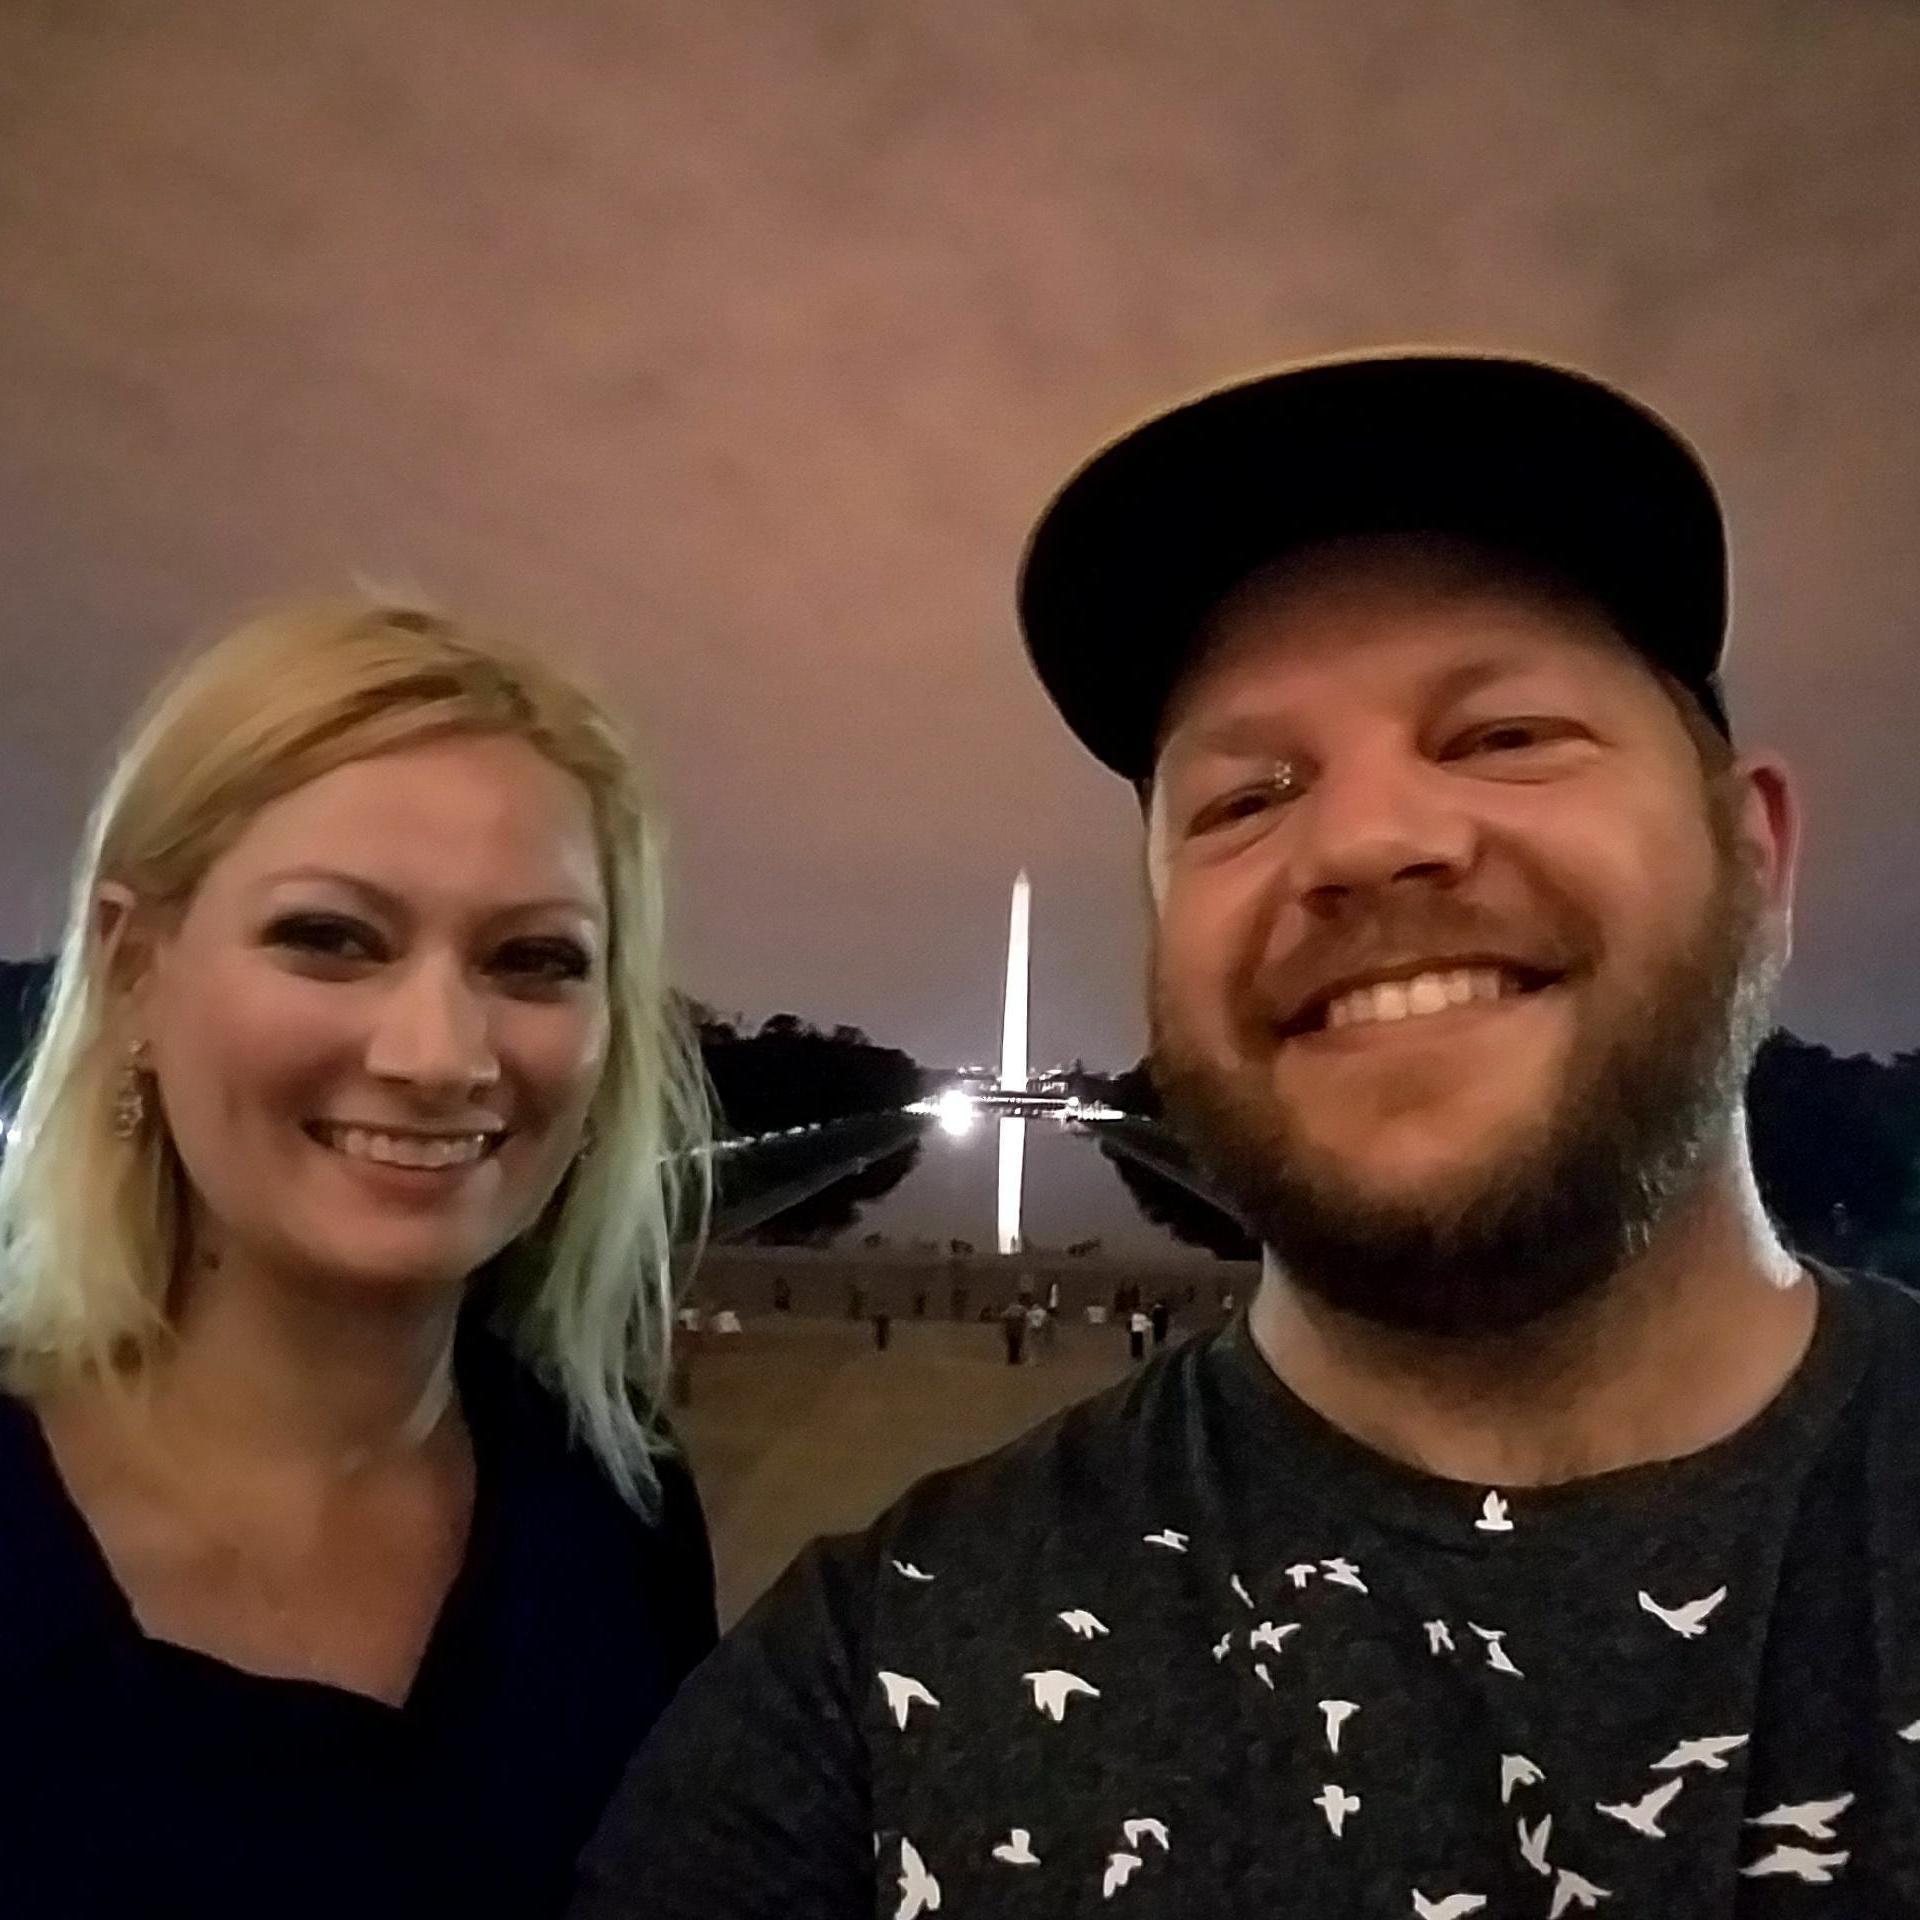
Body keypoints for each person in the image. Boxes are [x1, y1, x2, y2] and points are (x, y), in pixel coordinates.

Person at [572, 353, 1920, 1914]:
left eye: (1501, 736)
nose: (1362, 840)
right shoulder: (867, 1696)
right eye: (1244, 796)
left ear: (1755, 856)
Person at [0, 596, 718, 1918]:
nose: (439, 1054)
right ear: (134, 967)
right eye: (331, 937)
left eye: (534, 958)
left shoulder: (618, 1513)